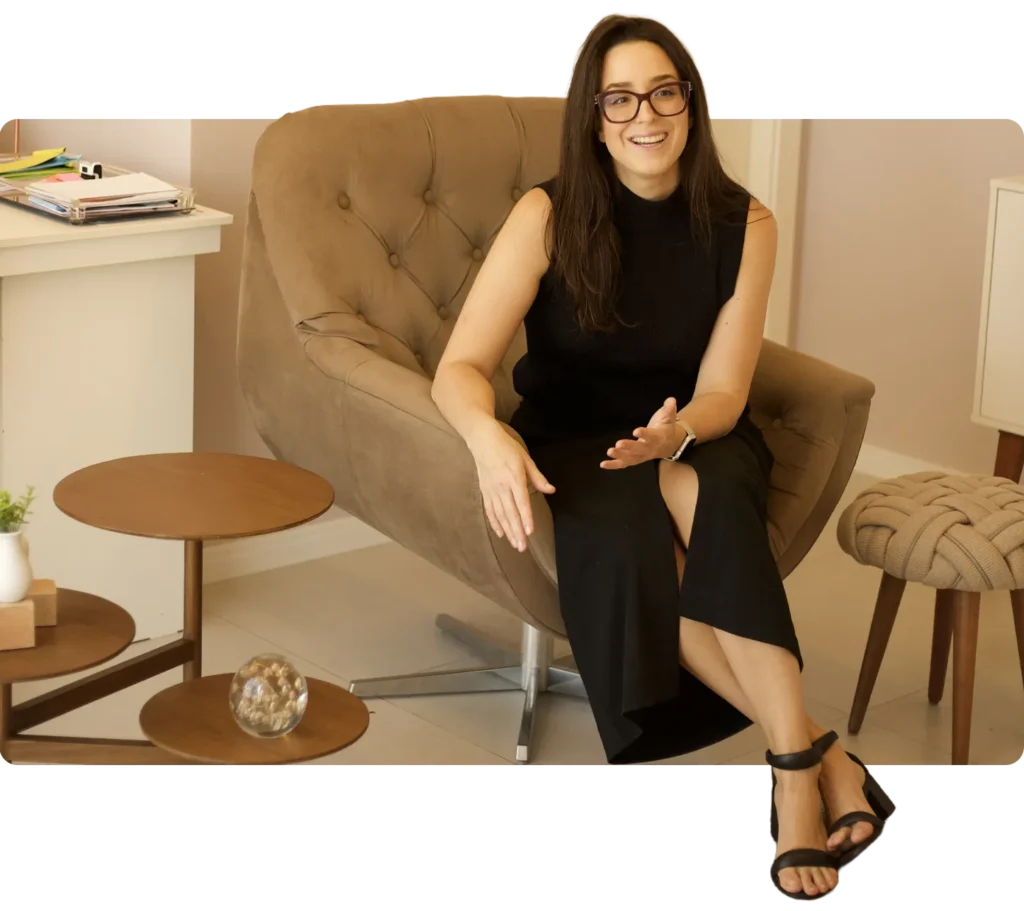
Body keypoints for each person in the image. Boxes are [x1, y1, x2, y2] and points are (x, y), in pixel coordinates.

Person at [429, 10, 895, 902]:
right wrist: (488, 437)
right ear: (594, 117)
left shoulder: (745, 221)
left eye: (663, 92)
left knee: (711, 501)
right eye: (620, 99)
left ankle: (794, 774)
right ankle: (813, 759)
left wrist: (676, 435)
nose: (645, 115)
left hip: (696, 430)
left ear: (691, 102)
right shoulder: (547, 213)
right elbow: (460, 367)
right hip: (577, 440)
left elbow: (724, 389)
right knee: (644, 549)